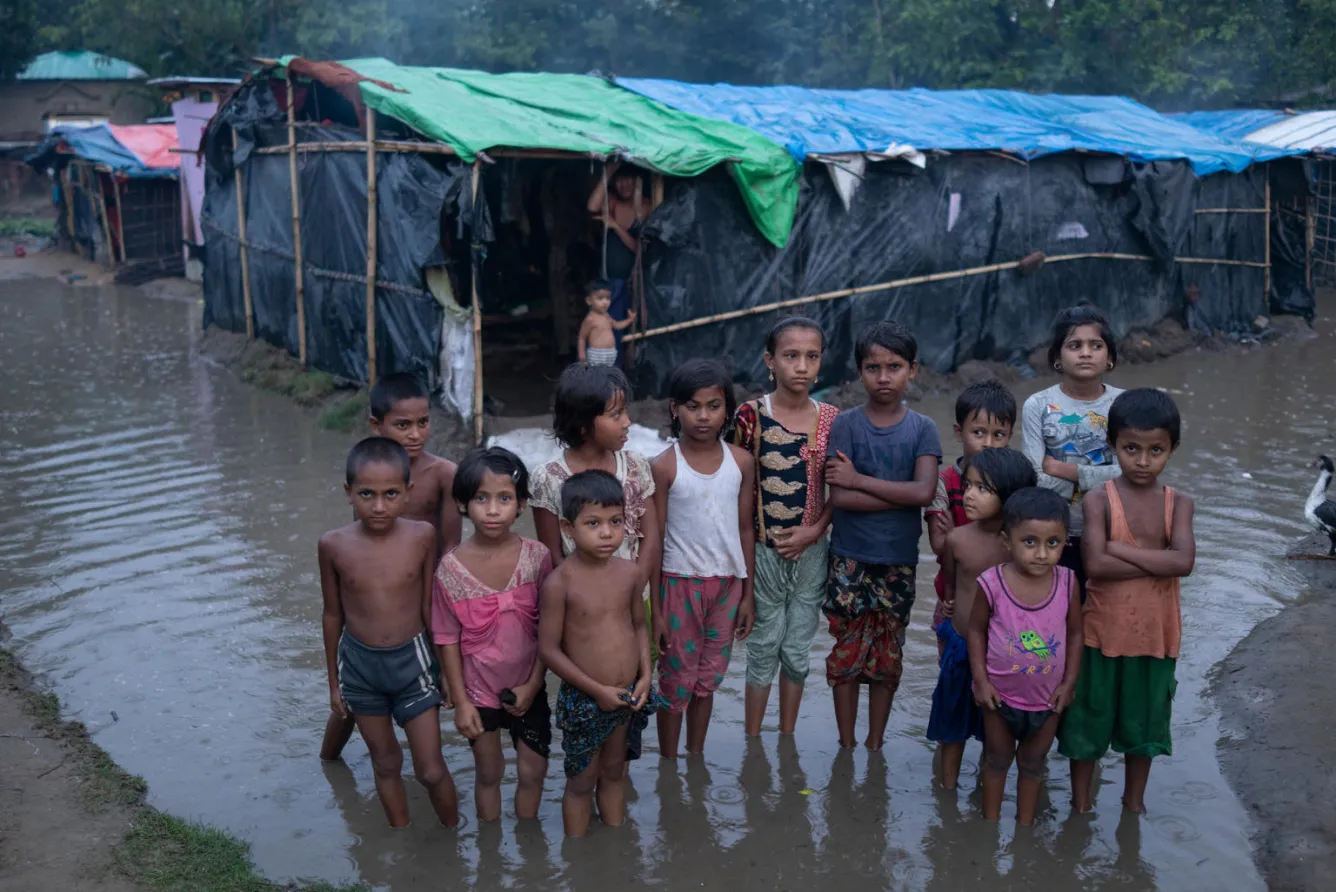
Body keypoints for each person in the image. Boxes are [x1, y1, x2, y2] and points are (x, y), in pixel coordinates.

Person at [1060, 388, 1195, 815]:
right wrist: (1161, 561)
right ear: (1112, 445)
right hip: (1100, 635)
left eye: (1156, 450)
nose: (1142, 460)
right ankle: (1080, 808)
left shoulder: (1180, 504)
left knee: (1145, 732)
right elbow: (1096, 566)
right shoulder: (1099, 500)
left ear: (1173, 448)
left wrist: (1124, 551)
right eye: (1131, 448)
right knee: (1086, 728)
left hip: (1155, 639)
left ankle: (1132, 807)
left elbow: (1185, 562)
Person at [317, 437, 459, 829]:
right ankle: (401, 845)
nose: (379, 506)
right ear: (348, 493)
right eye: (367, 494)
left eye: (390, 494)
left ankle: (455, 842)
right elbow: (332, 615)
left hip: (413, 664)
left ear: (408, 492)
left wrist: (446, 671)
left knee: (430, 769)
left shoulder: (421, 537)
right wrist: (334, 682)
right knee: (386, 763)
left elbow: (433, 607)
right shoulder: (332, 545)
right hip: (361, 669)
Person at [321, 372, 463, 762]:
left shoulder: (444, 474)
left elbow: (451, 544)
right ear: (376, 425)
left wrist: (432, 602)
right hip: (373, 589)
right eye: (403, 425)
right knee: (358, 682)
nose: (415, 434)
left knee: (432, 677)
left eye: (423, 422)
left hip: (423, 589)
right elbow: (361, 534)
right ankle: (328, 760)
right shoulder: (370, 469)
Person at [824, 321, 941, 750]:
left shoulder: (922, 428)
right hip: (848, 556)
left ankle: (874, 744)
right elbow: (842, 497)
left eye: (894, 366)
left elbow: (925, 492)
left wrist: (861, 480)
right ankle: (846, 744)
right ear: (859, 372)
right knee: (846, 654)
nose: (884, 376)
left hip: (898, 559)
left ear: (913, 370)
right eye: (873, 367)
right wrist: (898, 495)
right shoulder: (847, 425)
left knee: (888, 656)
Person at [538, 470, 664, 837]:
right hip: (585, 697)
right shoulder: (559, 583)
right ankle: (577, 858)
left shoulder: (629, 574)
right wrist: (597, 691)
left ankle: (615, 849)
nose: (607, 532)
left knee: (613, 772)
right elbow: (548, 649)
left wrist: (645, 675)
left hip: (627, 694)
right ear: (567, 526)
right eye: (593, 523)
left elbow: (639, 627)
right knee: (581, 780)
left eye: (615, 522)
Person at [730, 316, 840, 737]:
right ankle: (753, 741)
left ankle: (787, 739)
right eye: (790, 356)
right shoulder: (749, 417)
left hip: (812, 551)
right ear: (769, 361)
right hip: (761, 551)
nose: (801, 366)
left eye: (811, 357)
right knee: (762, 648)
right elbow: (733, 486)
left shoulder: (832, 419)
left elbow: (840, 491)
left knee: (796, 651)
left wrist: (815, 530)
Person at [433, 447, 553, 823]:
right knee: (489, 773)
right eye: (481, 498)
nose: (492, 509)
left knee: (534, 772)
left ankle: (528, 852)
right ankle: (490, 859)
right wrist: (462, 701)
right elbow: (446, 636)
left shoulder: (537, 558)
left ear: (521, 505)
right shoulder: (450, 569)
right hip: (478, 692)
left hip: (528, 686)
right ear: (462, 503)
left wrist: (534, 686)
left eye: (505, 498)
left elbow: (550, 629)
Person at [649, 359, 757, 759]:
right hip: (679, 585)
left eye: (713, 405)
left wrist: (748, 594)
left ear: (727, 409)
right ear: (675, 408)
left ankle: (694, 760)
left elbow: (746, 530)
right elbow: (655, 542)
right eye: (693, 406)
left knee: (707, 680)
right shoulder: (664, 466)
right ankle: (668, 762)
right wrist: (656, 608)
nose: (703, 416)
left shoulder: (741, 463)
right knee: (674, 682)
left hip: (727, 587)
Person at [968, 486, 1083, 824]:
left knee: (1033, 766)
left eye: (1053, 543)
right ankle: (989, 828)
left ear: (1065, 542)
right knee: (997, 760)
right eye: (1029, 542)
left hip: (1048, 701)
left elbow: (1076, 633)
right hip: (999, 698)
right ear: (1007, 541)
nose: (1042, 554)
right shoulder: (991, 583)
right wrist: (980, 681)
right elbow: (975, 630)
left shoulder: (1068, 582)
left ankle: (1024, 830)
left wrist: (1070, 682)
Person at [927, 447, 1036, 791]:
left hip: (1003, 653)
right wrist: (945, 614)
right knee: (951, 726)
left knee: (997, 730)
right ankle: (946, 796)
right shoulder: (957, 540)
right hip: (961, 645)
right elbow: (951, 586)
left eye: (982, 489)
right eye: (969, 485)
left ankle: (985, 797)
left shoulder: (1020, 546)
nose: (969, 495)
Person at [1021, 303, 1124, 599]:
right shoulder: (1038, 406)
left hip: (1112, 533)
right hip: (1053, 536)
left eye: (1096, 345)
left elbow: (1130, 475)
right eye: (1074, 345)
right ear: (1057, 356)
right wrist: (1101, 480)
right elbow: (1035, 478)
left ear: (1110, 357)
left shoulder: (1123, 405)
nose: (1086, 352)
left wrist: (1067, 470)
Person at [926, 380, 1018, 651]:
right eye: (978, 432)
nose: (988, 443)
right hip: (953, 596)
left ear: (1010, 435)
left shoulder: (1014, 479)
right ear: (958, 431)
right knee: (953, 669)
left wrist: (955, 533)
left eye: (998, 435)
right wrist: (954, 538)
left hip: (1003, 596)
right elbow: (939, 545)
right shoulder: (944, 481)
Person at [586, 162, 645, 364]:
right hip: (610, 281)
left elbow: (639, 248)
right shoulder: (611, 202)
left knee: (630, 331)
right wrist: (608, 172)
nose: (624, 185)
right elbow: (592, 206)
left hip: (635, 282)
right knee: (605, 331)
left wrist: (615, 227)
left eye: (628, 179)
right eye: (619, 180)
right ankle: (606, 377)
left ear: (637, 180)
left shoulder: (644, 206)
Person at [578, 279, 637, 367]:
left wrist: (629, 320)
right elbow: (582, 338)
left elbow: (617, 325)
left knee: (607, 377)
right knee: (596, 378)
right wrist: (582, 357)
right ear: (589, 301)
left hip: (610, 355)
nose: (605, 302)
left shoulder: (606, 316)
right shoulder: (590, 319)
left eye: (608, 298)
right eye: (600, 298)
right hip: (596, 356)